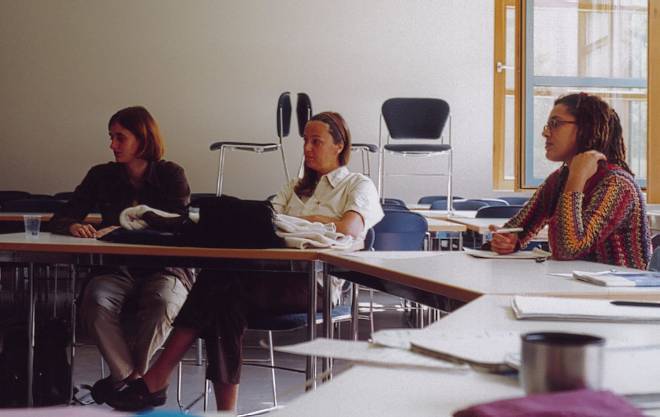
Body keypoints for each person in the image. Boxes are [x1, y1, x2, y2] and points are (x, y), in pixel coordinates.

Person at [108, 111, 384, 412]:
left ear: (339, 146)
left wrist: (299, 222)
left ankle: (159, 380)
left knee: (221, 286)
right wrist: (304, 223)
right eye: (305, 141)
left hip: (315, 283)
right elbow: (264, 224)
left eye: (315, 141)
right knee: (225, 296)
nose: (306, 148)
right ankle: (218, 409)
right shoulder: (293, 187)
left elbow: (348, 228)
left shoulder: (358, 185)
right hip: (268, 277)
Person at [49, 106, 192, 403]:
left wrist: (133, 223)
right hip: (116, 268)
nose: (112, 145)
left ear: (143, 139)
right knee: (95, 301)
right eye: (111, 137)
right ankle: (136, 382)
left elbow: (180, 223)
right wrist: (73, 225)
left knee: (165, 302)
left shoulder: (171, 174)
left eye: (120, 137)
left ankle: (123, 381)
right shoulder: (101, 175)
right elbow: (62, 216)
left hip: (165, 269)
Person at [489, 93, 651, 269]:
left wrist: (576, 178)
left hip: (617, 285)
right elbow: (514, 229)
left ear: (586, 128)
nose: (545, 133)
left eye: (555, 124)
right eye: (548, 125)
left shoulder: (618, 184)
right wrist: (507, 242)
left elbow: (568, 249)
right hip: (570, 282)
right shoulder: (559, 179)